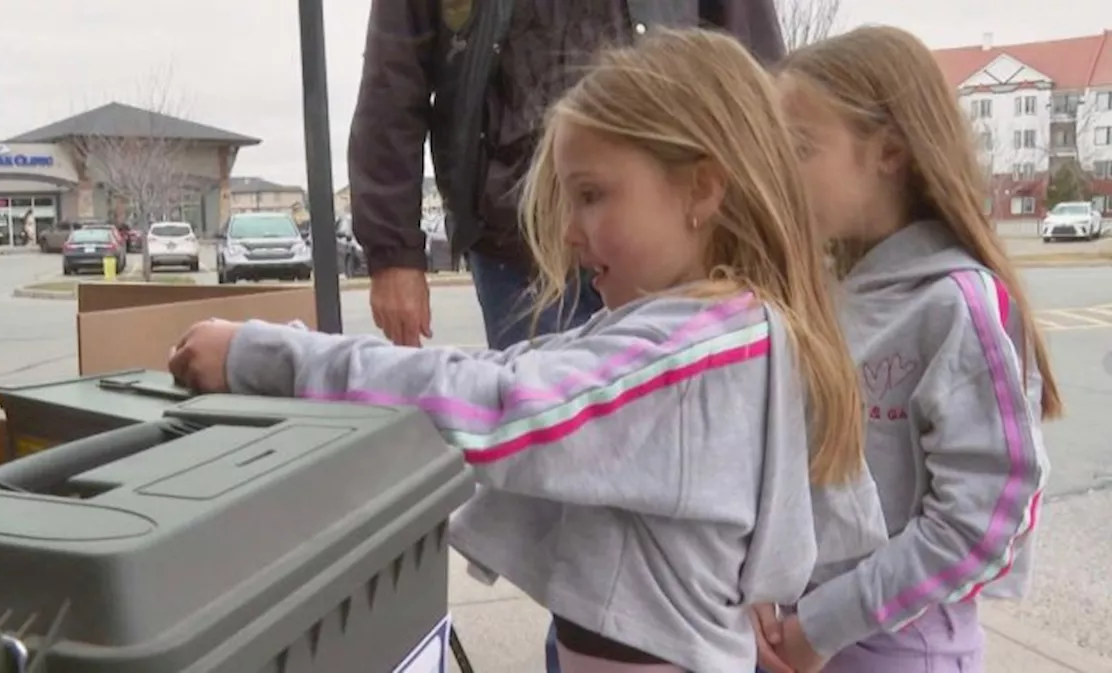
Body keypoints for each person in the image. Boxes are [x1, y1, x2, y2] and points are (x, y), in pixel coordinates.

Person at [171, 28, 882, 673]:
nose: (571, 232)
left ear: (700, 186)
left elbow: (508, 405)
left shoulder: (689, 352)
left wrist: (266, 359)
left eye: (593, 195)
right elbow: (508, 372)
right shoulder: (719, 329)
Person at [753, 25, 1058, 673]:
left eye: (800, 147)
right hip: (794, 632)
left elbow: (983, 520)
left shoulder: (955, 304)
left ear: (888, 152)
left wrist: (826, 623)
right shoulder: (819, 296)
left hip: (898, 648)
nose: (779, 172)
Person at [346, 0, 784, 351]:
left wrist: (773, 217)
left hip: (673, 240)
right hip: (512, 247)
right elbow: (393, 76)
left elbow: (750, 67)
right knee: (541, 435)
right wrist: (394, 255)